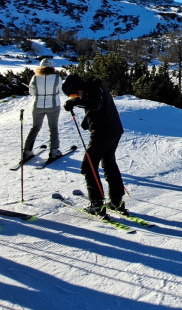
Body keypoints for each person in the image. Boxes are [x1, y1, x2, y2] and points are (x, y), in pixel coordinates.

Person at [62, 74, 125, 217]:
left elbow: (95, 104)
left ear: (77, 87)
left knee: (88, 166)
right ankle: (116, 200)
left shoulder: (93, 90)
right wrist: (87, 121)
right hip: (114, 130)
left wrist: (74, 103)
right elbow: (96, 107)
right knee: (109, 163)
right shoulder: (95, 87)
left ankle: (96, 203)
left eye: (73, 93)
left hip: (103, 133)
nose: (74, 96)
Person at [23, 58, 62, 161]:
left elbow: (31, 92)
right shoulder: (57, 77)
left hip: (38, 106)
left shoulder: (35, 78)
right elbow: (61, 91)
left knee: (35, 127)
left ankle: (27, 151)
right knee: (53, 128)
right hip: (53, 105)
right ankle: (54, 151)